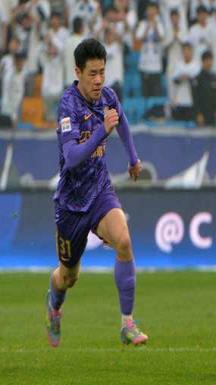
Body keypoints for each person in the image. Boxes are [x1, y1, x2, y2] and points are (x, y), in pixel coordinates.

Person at [45, 39, 148, 348]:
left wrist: (133, 158)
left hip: (100, 191)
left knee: (124, 241)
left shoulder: (108, 96)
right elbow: (72, 158)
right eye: (92, 73)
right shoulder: (68, 106)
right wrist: (103, 130)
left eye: (102, 72)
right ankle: (54, 307)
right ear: (78, 72)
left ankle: (127, 324)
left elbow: (122, 121)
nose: (99, 80)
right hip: (71, 204)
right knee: (68, 277)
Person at [192, 50, 216, 126]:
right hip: (201, 115)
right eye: (207, 60)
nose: (209, 63)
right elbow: (195, 98)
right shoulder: (198, 79)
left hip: (212, 116)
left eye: (210, 60)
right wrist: (198, 114)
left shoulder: (213, 78)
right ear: (203, 62)